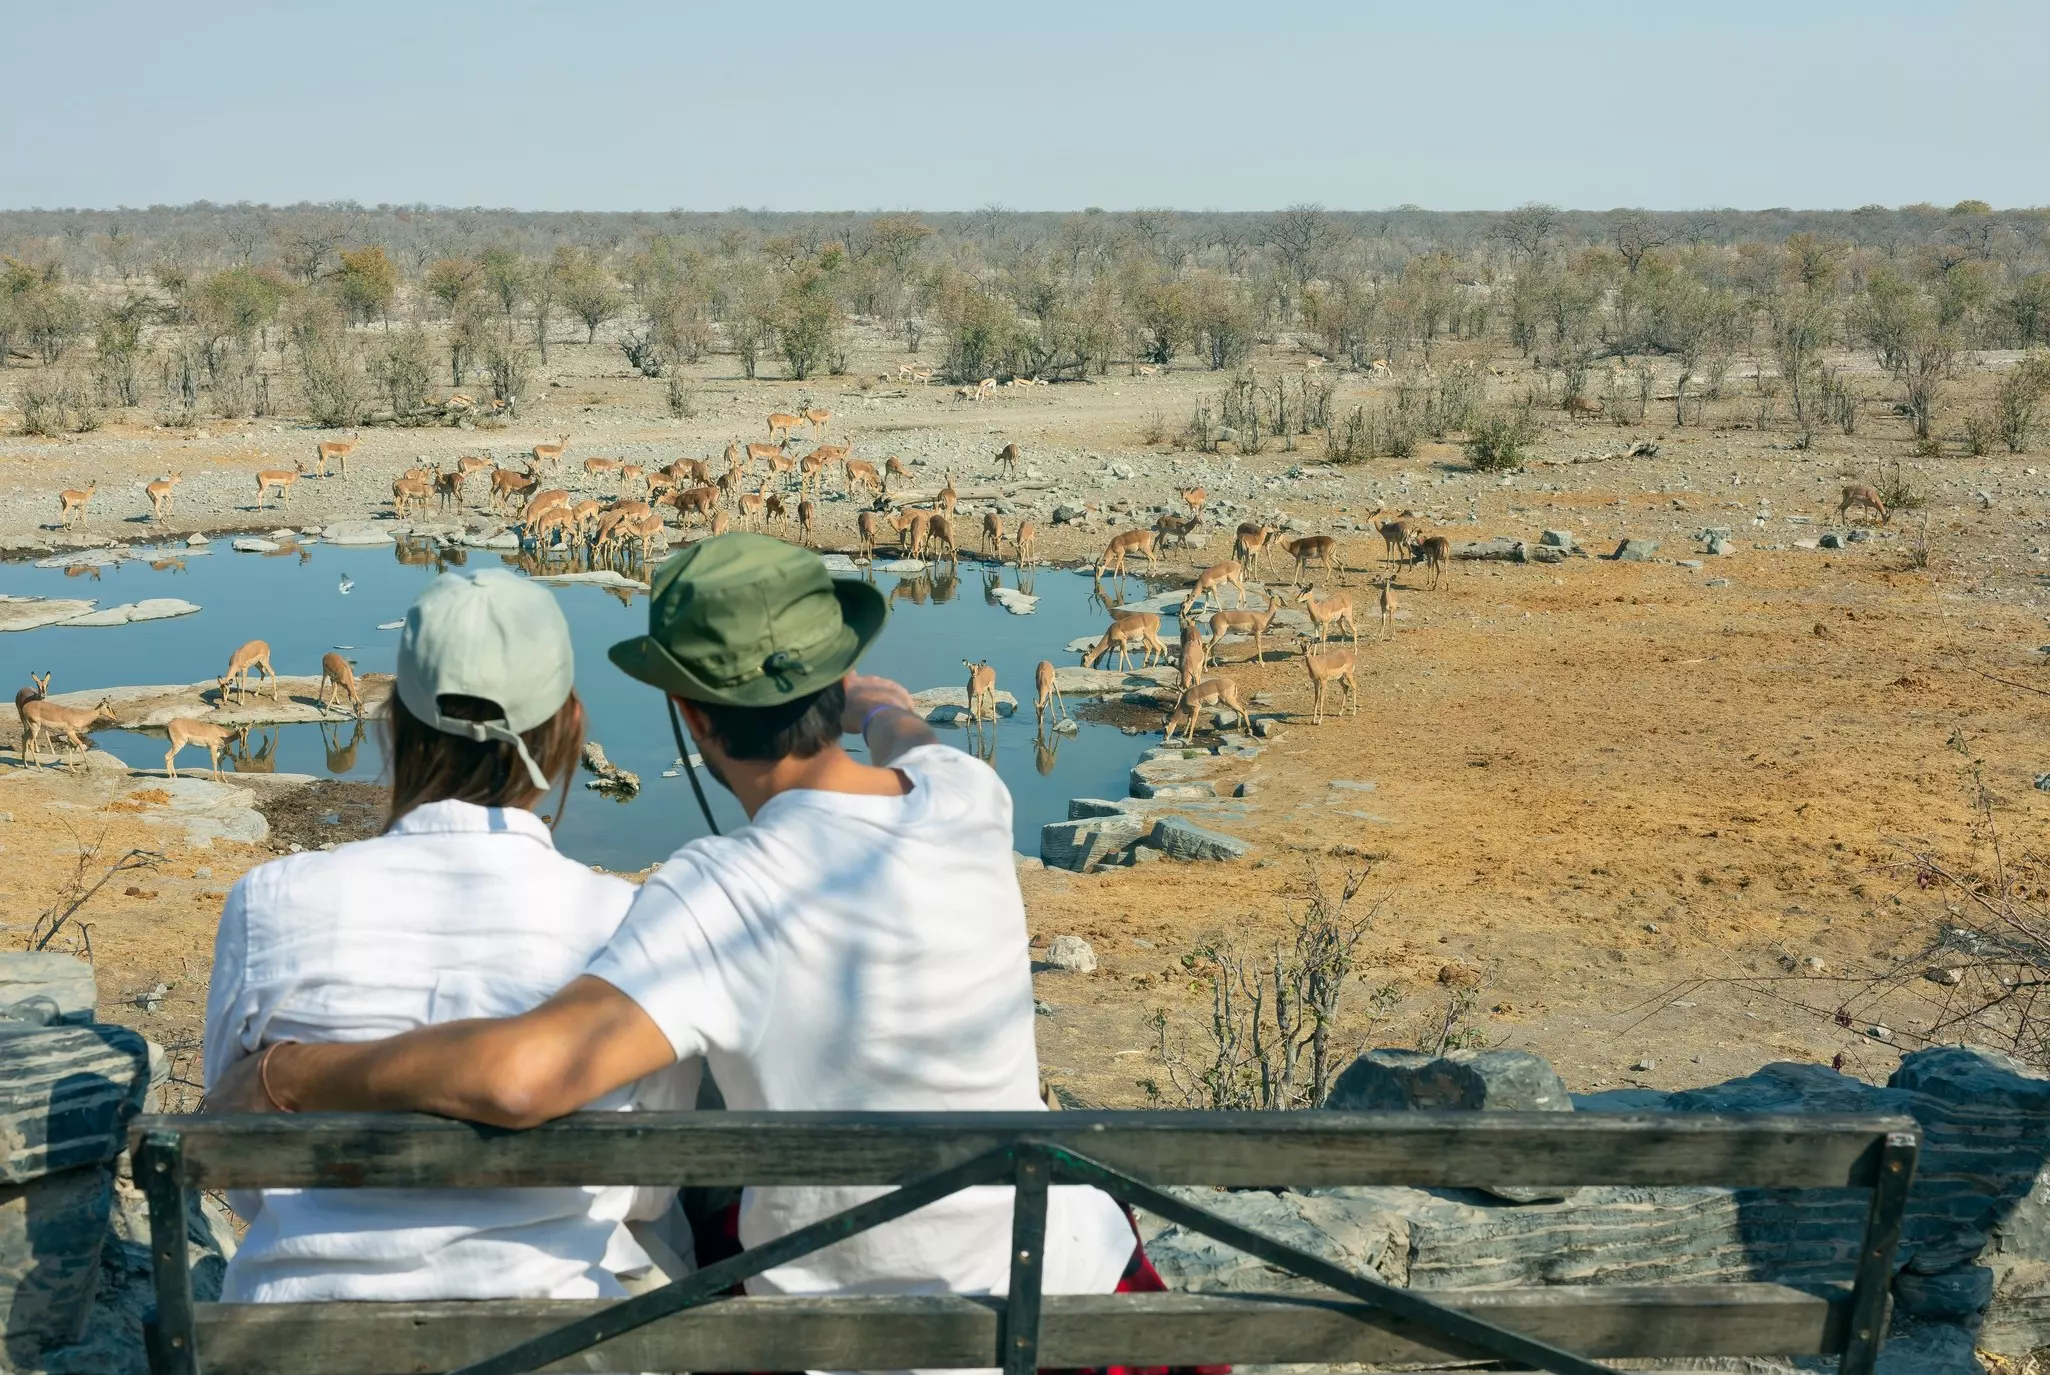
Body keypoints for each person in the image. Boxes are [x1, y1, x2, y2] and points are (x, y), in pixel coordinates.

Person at [213, 533, 1136, 1312]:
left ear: (693, 718)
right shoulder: (969, 795)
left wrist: (291, 1071)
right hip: (1060, 1294)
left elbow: (523, 1078)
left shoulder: (716, 895)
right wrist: (880, 705)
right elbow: (911, 739)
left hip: (847, 1338)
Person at [202, 568, 698, 1302]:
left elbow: (239, 1169)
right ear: (568, 725)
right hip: (561, 1335)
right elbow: (648, 1190)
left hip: (303, 1336)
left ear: (393, 722)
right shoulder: (624, 923)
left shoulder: (271, 902)